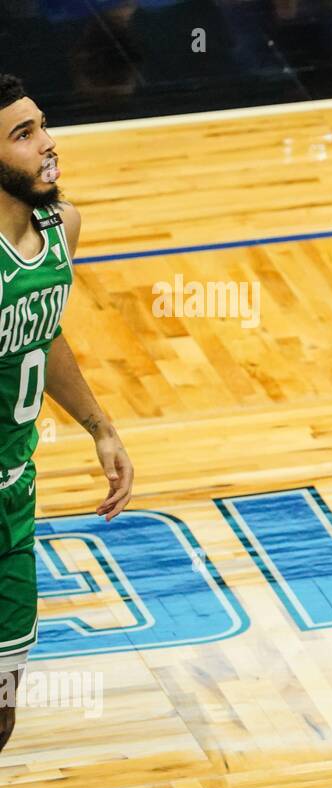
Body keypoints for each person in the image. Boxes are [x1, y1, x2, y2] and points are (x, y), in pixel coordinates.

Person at [0, 74, 134, 752]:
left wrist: (100, 426)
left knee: (2, 708)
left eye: (43, 125)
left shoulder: (61, 227)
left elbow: (43, 332)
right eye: (24, 135)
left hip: (14, 495)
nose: (48, 145)